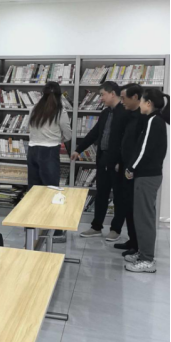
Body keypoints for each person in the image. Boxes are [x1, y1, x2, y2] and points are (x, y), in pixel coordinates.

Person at [71, 81, 127, 241]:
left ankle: (115, 229)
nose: (101, 98)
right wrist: (78, 150)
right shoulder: (105, 113)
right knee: (101, 194)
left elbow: (127, 141)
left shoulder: (125, 113)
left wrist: (122, 161)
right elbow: (94, 134)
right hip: (103, 159)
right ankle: (96, 227)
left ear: (112, 94)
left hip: (118, 163)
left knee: (119, 196)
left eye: (102, 94)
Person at [124, 89, 169, 274]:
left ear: (148, 103)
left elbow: (144, 149)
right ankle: (143, 253)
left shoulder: (153, 121)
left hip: (147, 176)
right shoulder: (156, 120)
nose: (140, 105)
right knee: (143, 216)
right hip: (149, 176)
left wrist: (131, 168)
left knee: (144, 219)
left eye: (142, 101)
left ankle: (147, 260)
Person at [27, 82, 73, 240]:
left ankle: (31, 225)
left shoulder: (34, 108)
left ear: (42, 94)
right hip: (50, 151)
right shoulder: (60, 111)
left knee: (34, 191)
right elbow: (68, 135)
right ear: (60, 95)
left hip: (32, 150)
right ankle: (55, 229)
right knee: (52, 190)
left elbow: (28, 128)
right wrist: (57, 138)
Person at [115, 84, 145, 256]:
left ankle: (137, 244)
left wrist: (132, 166)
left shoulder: (143, 118)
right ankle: (132, 240)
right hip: (125, 166)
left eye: (124, 98)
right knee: (126, 204)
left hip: (135, 170)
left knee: (135, 207)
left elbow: (140, 147)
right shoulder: (128, 115)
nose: (122, 101)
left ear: (135, 97)